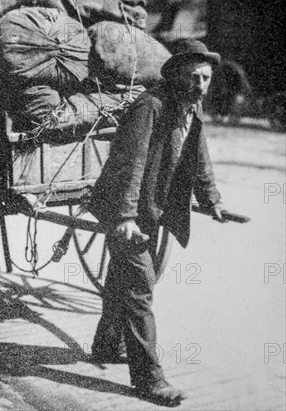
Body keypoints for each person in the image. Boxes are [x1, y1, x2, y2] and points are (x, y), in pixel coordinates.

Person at [88, 38, 231, 406]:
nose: (200, 85)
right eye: (193, 77)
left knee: (124, 274)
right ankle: (149, 379)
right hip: (125, 207)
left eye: (205, 78)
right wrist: (124, 217)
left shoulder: (190, 110)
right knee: (140, 285)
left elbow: (199, 159)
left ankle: (106, 343)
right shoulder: (149, 107)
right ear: (176, 76)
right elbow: (129, 164)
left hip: (151, 209)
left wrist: (212, 200)